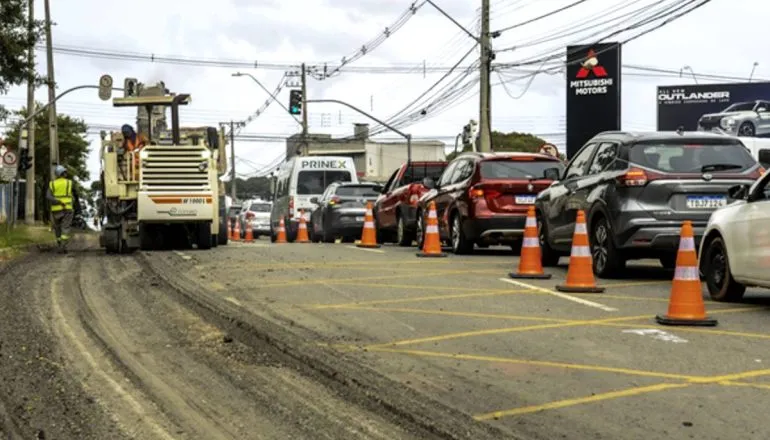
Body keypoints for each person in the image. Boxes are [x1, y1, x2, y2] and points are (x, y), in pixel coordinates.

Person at [46, 165, 80, 253]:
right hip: (67, 209)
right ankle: (63, 246)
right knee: (65, 227)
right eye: (65, 172)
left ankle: (60, 244)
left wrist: (57, 201)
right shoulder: (69, 183)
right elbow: (76, 194)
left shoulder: (52, 184)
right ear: (64, 173)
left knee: (57, 228)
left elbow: (48, 196)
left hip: (56, 210)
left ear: (57, 174)